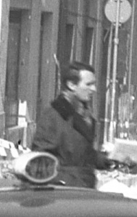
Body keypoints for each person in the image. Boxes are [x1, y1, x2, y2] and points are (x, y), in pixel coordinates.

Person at [32, 61, 111, 189]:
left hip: (83, 189)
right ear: (72, 85)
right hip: (62, 194)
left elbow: (85, 156)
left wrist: (112, 159)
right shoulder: (54, 116)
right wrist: (63, 181)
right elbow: (40, 160)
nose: (94, 89)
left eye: (94, 84)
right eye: (89, 84)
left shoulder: (84, 116)